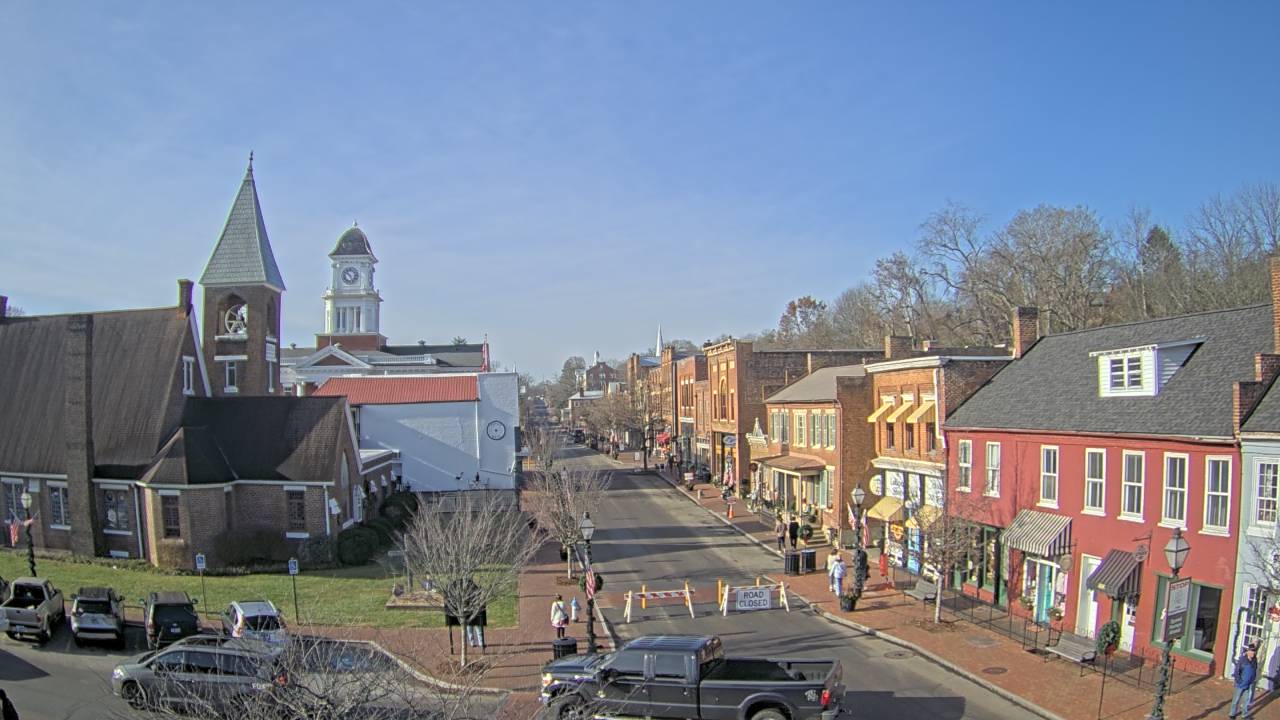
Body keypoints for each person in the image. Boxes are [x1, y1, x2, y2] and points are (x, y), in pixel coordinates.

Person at [1229, 641, 1260, 718]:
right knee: (1236, 700)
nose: (1253, 653)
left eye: (1254, 651)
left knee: (1246, 701)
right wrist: (1239, 680)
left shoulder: (1254, 660)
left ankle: (1244, 715)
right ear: (1248, 651)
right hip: (1240, 684)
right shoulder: (1242, 660)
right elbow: (1237, 672)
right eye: (1252, 651)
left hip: (1249, 684)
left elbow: (1254, 670)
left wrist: (1253, 679)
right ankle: (1232, 714)